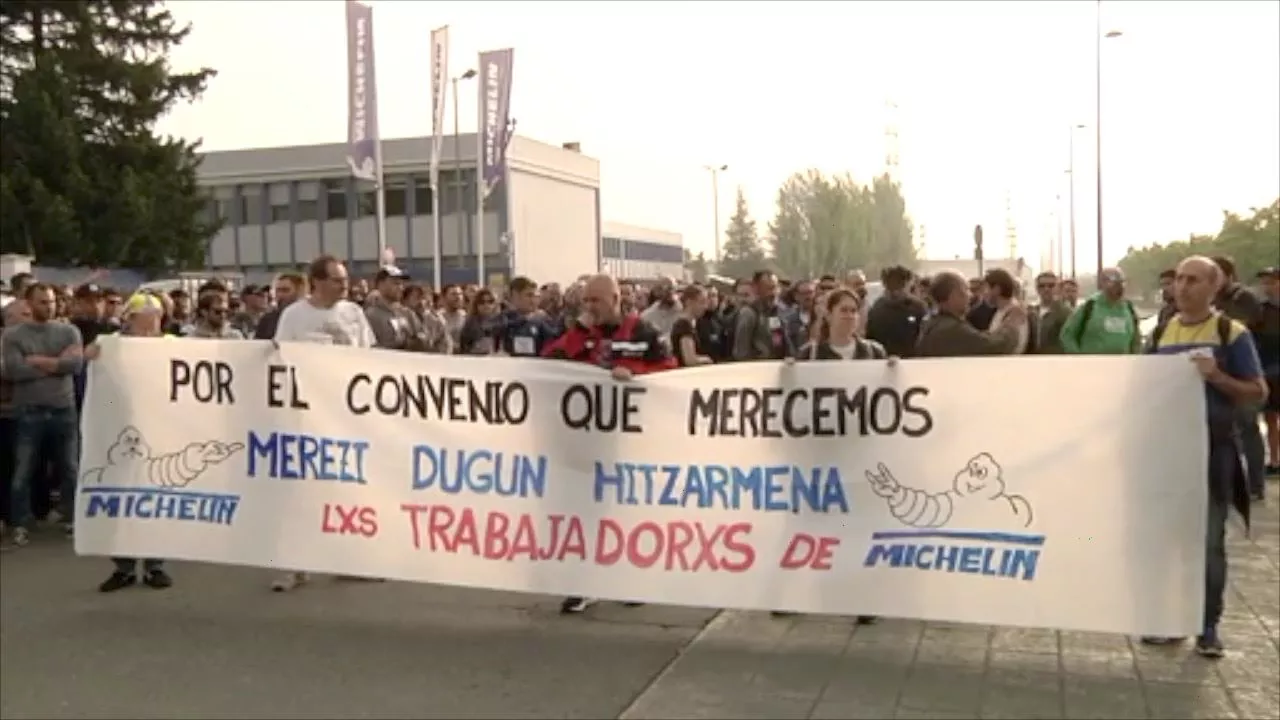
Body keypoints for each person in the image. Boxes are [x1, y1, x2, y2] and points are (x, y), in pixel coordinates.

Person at [1145, 256, 1268, 658]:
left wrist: (1217, 377)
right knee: (1169, 540)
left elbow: (1258, 392)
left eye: (1193, 280)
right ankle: (1171, 620)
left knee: (1210, 542)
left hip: (1215, 452)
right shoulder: (1161, 332)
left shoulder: (1231, 333)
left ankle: (1207, 626)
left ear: (1215, 287)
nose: (1182, 287)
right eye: (1179, 279)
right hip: (1169, 452)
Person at [541, 274, 675, 614]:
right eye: (585, 301)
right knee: (584, 512)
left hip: (629, 441)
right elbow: (550, 364)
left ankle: (630, 579)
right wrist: (579, 330)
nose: (590, 307)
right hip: (585, 441)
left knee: (625, 512)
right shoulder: (581, 333)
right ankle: (585, 583)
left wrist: (637, 376)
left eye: (596, 301)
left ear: (615, 300)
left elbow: (670, 375)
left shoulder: (644, 332)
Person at [91, 293, 175, 591]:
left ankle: (155, 565)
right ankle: (123, 566)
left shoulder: (172, 345)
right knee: (120, 500)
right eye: (146, 317)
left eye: (157, 316)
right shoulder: (113, 344)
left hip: (160, 430)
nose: (152, 323)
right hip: (120, 430)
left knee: (156, 499)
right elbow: (88, 357)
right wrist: (90, 353)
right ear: (130, 319)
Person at [2, 283, 85, 545]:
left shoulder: (69, 331)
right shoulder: (13, 335)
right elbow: (15, 371)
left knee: (70, 468)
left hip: (63, 409)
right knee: (23, 470)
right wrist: (57, 363)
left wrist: (37, 360)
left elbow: (75, 365)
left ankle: (73, 518)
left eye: (51, 302)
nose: (49, 307)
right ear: (29, 304)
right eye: (43, 302)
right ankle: (20, 522)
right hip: (28, 410)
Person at [917, 272, 1024, 357]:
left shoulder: (933, 323)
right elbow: (996, 347)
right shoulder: (951, 329)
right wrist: (1011, 325)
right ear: (954, 295)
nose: (970, 295)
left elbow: (977, 339)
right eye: (966, 290)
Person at [1059, 268, 1141, 355]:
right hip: (1092, 362)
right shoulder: (1089, 307)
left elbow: (1136, 340)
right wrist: (1078, 358)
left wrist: (1135, 358)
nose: (1120, 287)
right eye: (1115, 283)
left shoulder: (1129, 308)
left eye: (1122, 283)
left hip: (1122, 362)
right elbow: (1067, 336)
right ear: (1103, 283)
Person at [866, 265, 928, 359]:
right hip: (882, 361)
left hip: (910, 361)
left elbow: (924, 338)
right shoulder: (877, 307)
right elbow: (870, 338)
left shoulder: (918, 308)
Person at [1258, 267, 1280, 482]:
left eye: (1272, 282)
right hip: (1269, 369)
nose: (1267, 286)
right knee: (1271, 417)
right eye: (1265, 282)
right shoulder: (1262, 311)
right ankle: (1274, 460)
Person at [670, 284, 713, 368]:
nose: (705, 307)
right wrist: (707, 360)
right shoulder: (684, 326)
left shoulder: (691, 324)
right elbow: (690, 360)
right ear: (689, 302)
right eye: (702, 302)